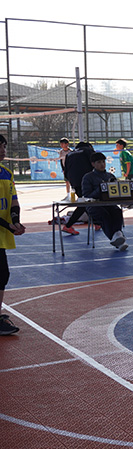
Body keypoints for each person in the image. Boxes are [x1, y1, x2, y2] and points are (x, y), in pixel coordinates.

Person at [0, 134, 26, 336]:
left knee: (2, 274)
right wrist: (8, 225)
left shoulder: (7, 173)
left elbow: (14, 201)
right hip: (3, 228)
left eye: (4, 146)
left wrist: (15, 221)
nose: (3, 151)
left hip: (2, 232)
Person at [81, 152, 129, 251]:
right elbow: (87, 195)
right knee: (104, 215)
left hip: (109, 204)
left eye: (103, 161)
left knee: (117, 211)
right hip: (94, 206)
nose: (102, 164)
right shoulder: (88, 177)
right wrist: (101, 188)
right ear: (93, 164)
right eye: (99, 162)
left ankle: (118, 236)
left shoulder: (110, 176)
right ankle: (118, 239)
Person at [61, 142, 97, 236]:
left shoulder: (70, 154)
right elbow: (95, 163)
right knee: (85, 204)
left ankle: (97, 223)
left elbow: (65, 170)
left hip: (74, 181)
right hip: (86, 180)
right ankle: (68, 225)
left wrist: (71, 181)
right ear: (89, 146)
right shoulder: (88, 151)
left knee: (86, 202)